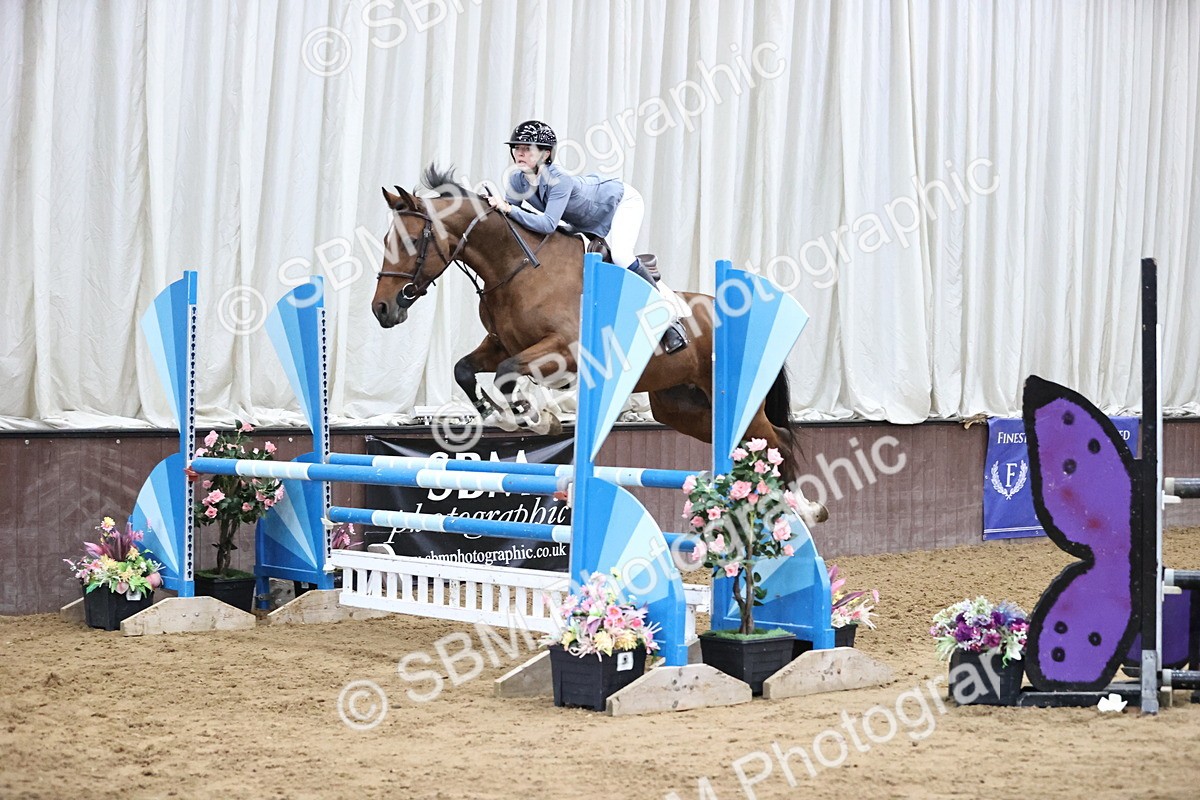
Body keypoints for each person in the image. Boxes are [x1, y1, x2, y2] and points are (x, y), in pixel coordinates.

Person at [486, 120, 687, 354]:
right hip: (581, 220)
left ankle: (666, 316)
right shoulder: (517, 180)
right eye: (516, 148)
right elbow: (511, 223)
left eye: (527, 148)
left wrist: (508, 209)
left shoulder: (558, 179)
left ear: (545, 154)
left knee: (621, 255)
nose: (519, 153)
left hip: (619, 203)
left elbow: (548, 223)